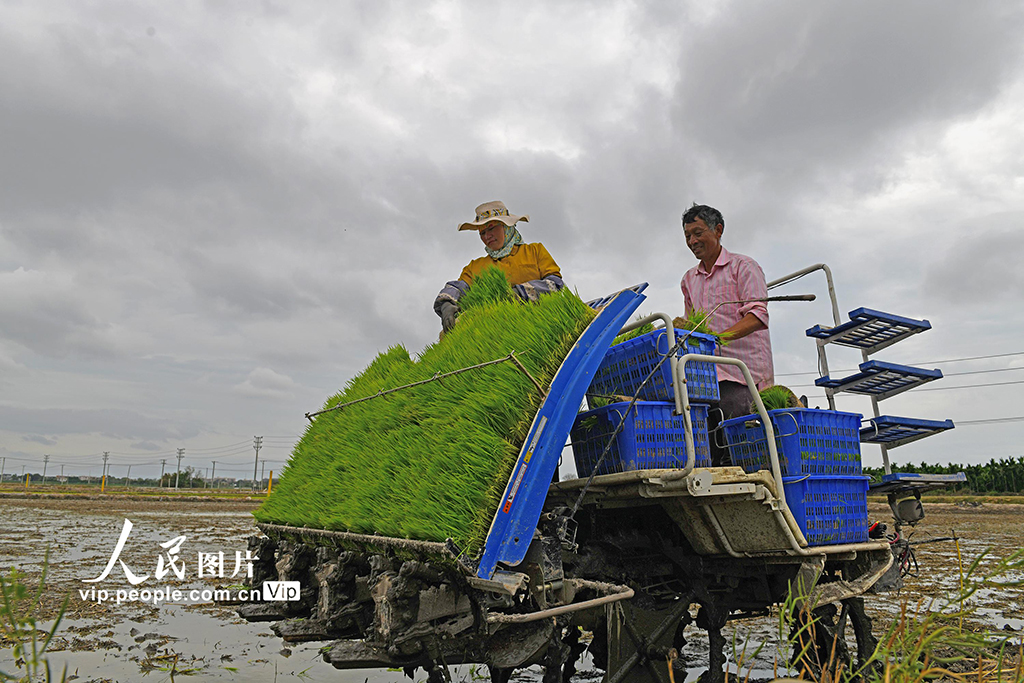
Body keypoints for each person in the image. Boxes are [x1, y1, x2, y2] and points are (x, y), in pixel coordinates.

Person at [678, 204, 774, 463]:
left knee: (739, 448)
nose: (692, 241)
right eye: (687, 236)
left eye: (698, 233)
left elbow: (757, 316)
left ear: (718, 230)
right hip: (705, 376)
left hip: (741, 374)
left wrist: (718, 339)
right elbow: (691, 324)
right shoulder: (689, 279)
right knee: (709, 448)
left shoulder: (743, 266)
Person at [434, 201, 564, 332]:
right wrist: (446, 303)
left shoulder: (535, 251)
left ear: (507, 226)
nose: (486, 236)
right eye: (482, 233)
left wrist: (519, 293)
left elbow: (555, 284)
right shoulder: (475, 267)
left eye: (491, 228)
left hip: (542, 323)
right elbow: (459, 287)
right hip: (499, 330)